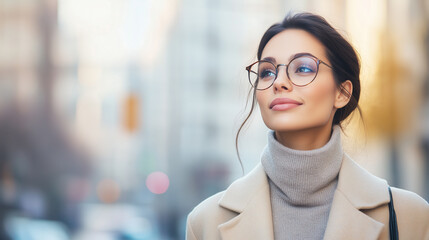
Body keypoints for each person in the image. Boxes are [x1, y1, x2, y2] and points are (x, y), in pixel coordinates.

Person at [186, 12, 429, 240]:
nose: (279, 82)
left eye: (302, 68)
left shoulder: (409, 216)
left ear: (342, 92)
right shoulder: (205, 222)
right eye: (267, 72)